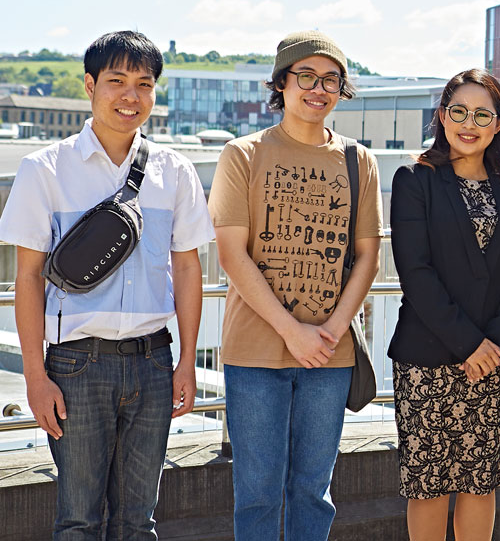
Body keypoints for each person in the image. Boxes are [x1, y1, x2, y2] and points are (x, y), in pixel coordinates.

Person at [0, 31, 213, 539]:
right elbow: (26, 277)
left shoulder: (175, 171)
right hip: (75, 365)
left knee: (139, 522)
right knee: (78, 520)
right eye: (116, 81)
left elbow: (186, 268)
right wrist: (35, 375)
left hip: (154, 361)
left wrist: (186, 362)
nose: (130, 95)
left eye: (144, 84)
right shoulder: (45, 169)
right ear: (90, 86)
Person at [208, 31, 384, 540]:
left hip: (330, 353)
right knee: (258, 492)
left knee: (314, 490)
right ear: (282, 83)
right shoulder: (242, 154)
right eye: (305, 76)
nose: (318, 88)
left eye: (330, 79)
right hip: (256, 353)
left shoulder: (359, 160)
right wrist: (292, 331)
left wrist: (329, 329)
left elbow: (368, 258)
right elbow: (230, 254)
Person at [388, 68, 500, 541]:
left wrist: (492, 343)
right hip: (427, 357)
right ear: (442, 116)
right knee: (429, 486)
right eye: (459, 111)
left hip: (493, 360)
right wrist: (471, 344)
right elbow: (417, 273)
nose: (469, 123)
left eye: (482, 114)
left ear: (498, 123)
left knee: (480, 482)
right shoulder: (415, 178)